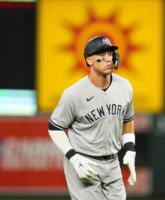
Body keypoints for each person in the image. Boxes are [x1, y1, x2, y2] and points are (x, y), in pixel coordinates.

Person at [48, 36, 136, 200]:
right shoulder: (74, 94)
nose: (108, 58)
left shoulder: (125, 87)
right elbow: (55, 128)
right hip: (84, 161)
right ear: (89, 60)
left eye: (110, 53)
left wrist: (130, 150)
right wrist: (74, 159)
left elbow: (128, 119)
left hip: (112, 163)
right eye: (102, 55)